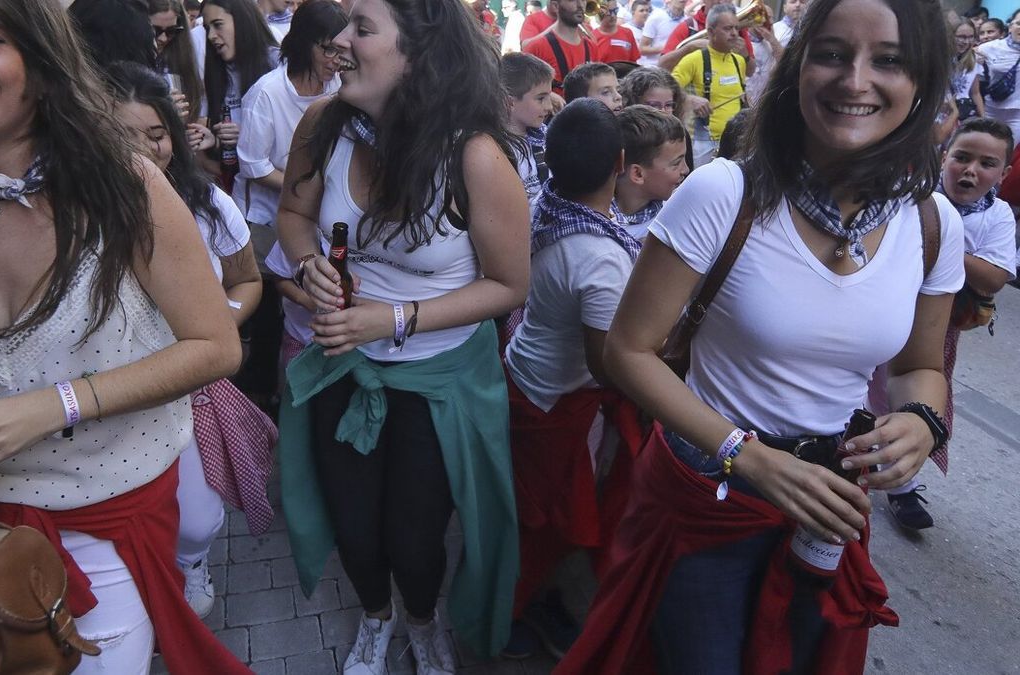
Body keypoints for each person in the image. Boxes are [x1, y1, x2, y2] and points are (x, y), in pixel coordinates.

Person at [557, 0, 964, 672]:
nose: (855, 80)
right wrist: (745, 455)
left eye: (888, 60)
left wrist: (923, 419)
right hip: (705, 495)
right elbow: (625, 351)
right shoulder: (724, 192)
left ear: (921, 80)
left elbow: (921, 365)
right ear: (797, 66)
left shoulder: (934, 225)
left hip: (826, 502)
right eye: (832, 53)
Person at [0, 1, 247, 674]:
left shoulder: (124, 187)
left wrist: (54, 403)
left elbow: (216, 345)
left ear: (41, 65)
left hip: (109, 521)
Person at [276, 0, 531, 671]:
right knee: (356, 531)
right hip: (342, 365)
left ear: (417, 54)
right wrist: (309, 265)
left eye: (361, 29)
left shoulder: (474, 157)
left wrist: (395, 318)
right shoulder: (322, 126)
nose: (339, 42)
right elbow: (294, 214)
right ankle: (376, 616)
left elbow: (509, 285)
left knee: (416, 542)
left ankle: (422, 619)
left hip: (439, 381)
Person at [107, 60, 275, 620]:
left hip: (191, 387)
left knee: (198, 516)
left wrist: (217, 321)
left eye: (155, 135)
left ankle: (192, 562)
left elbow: (246, 279)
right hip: (108, 395)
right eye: (122, 136)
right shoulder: (78, 215)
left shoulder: (209, 206)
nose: (143, 152)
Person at [500, 98, 638, 662]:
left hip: (527, 372)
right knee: (543, 523)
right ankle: (503, 615)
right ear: (621, 163)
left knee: (536, 512)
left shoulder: (545, 203)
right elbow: (607, 364)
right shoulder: (600, 259)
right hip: (557, 400)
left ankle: (524, 597)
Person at [887, 118, 1016, 530]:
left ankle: (900, 485)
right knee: (861, 391)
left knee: (915, 402)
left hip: (937, 330)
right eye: (961, 157)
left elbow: (995, 277)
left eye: (987, 163)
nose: (971, 170)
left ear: (1005, 173)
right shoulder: (914, 199)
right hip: (886, 313)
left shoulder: (997, 218)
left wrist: (943, 245)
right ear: (945, 156)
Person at [234, 0, 347, 409]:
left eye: (341, 51)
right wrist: (305, 188)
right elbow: (252, 164)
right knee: (267, 310)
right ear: (301, 44)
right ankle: (260, 399)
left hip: (316, 212)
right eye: (327, 50)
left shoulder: (337, 90)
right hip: (264, 217)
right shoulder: (266, 93)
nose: (336, 61)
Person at [200, 0, 279, 183]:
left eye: (218, 25)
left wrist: (247, 137)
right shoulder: (216, 72)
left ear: (243, 21)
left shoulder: (276, 64)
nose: (211, 36)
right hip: (238, 192)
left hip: (275, 194)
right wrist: (214, 140)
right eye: (207, 28)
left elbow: (294, 135)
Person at [672, 3, 747, 166]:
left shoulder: (738, 60)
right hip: (704, 145)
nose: (735, 33)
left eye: (736, 28)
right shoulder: (694, 59)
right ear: (711, 32)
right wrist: (690, 99)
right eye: (728, 28)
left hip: (735, 141)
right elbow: (669, 87)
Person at [612, 104, 689, 240]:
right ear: (638, 174)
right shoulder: (599, 225)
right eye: (676, 163)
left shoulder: (678, 216)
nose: (686, 170)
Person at [502, 52, 557, 204]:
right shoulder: (497, 150)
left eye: (549, 97)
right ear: (510, 103)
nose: (549, 106)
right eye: (541, 99)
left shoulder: (546, 136)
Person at [148, 0, 207, 124]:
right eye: (155, 30)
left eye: (171, 31)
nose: (163, 38)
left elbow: (195, 114)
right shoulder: (131, 59)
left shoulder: (183, 57)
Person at [658, 0, 754, 73]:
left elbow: (750, 72)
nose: (721, 1)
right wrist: (689, 48)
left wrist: (746, 56)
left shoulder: (737, 29)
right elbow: (662, 66)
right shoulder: (689, 26)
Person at [523, 0, 593, 96]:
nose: (580, 5)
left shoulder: (591, 46)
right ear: (556, 6)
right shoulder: (537, 47)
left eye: (583, 0)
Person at [979, 15, 1020, 141]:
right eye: (1018, 23)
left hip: (1018, 114)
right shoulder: (990, 47)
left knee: (1006, 151)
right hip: (991, 108)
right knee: (984, 145)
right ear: (1010, 27)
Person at [951, 19, 985, 123]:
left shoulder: (974, 59)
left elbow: (975, 93)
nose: (966, 42)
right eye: (961, 37)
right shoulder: (939, 58)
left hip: (963, 112)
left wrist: (984, 118)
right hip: (940, 112)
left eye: (971, 37)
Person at [591, 0, 641, 64]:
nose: (613, 15)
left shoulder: (627, 33)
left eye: (615, 10)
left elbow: (633, 62)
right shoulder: (592, 37)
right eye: (608, 12)